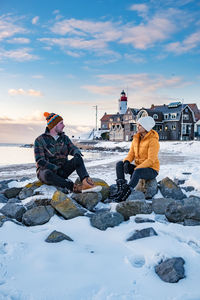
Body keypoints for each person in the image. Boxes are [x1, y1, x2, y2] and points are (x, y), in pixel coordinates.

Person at [34, 112, 95, 193]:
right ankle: (72, 187)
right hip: (48, 172)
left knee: (78, 159)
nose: (64, 125)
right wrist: (54, 168)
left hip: (62, 171)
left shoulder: (64, 138)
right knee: (47, 174)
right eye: (61, 123)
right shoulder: (40, 140)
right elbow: (39, 160)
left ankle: (86, 182)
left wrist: (76, 153)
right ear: (54, 125)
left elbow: (72, 148)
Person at [112, 116, 160, 202]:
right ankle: (120, 190)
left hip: (152, 169)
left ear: (146, 127)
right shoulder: (136, 138)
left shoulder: (153, 141)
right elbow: (131, 154)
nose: (137, 127)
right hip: (139, 168)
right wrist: (126, 162)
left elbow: (151, 160)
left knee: (137, 172)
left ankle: (126, 193)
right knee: (119, 164)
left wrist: (137, 169)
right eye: (137, 125)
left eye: (140, 125)